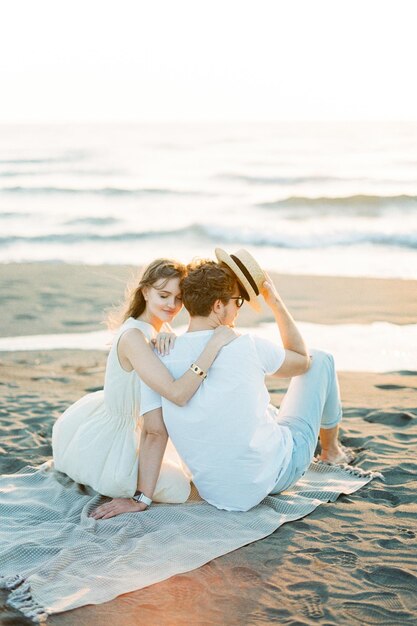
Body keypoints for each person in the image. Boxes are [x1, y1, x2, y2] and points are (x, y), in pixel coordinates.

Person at [94, 248, 353, 517]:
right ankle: (331, 451)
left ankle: (324, 449)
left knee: (260, 409)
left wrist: (141, 499)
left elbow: (155, 433)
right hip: (275, 475)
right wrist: (275, 302)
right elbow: (303, 360)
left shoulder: (158, 355)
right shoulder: (247, 344)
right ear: (218, 306)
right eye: (237, 302)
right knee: (322, 360)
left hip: (216, 492)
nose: (238, 310)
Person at [52, 258, 236, 510]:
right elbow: (175, 393)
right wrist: (213, 345)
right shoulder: (134, 337)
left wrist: (169, 334)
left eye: (179, 298)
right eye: (164, 295)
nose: (172, 305)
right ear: (145, 291)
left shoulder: (158, 328)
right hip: (116, 443)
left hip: (142, 424)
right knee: (180, 488)